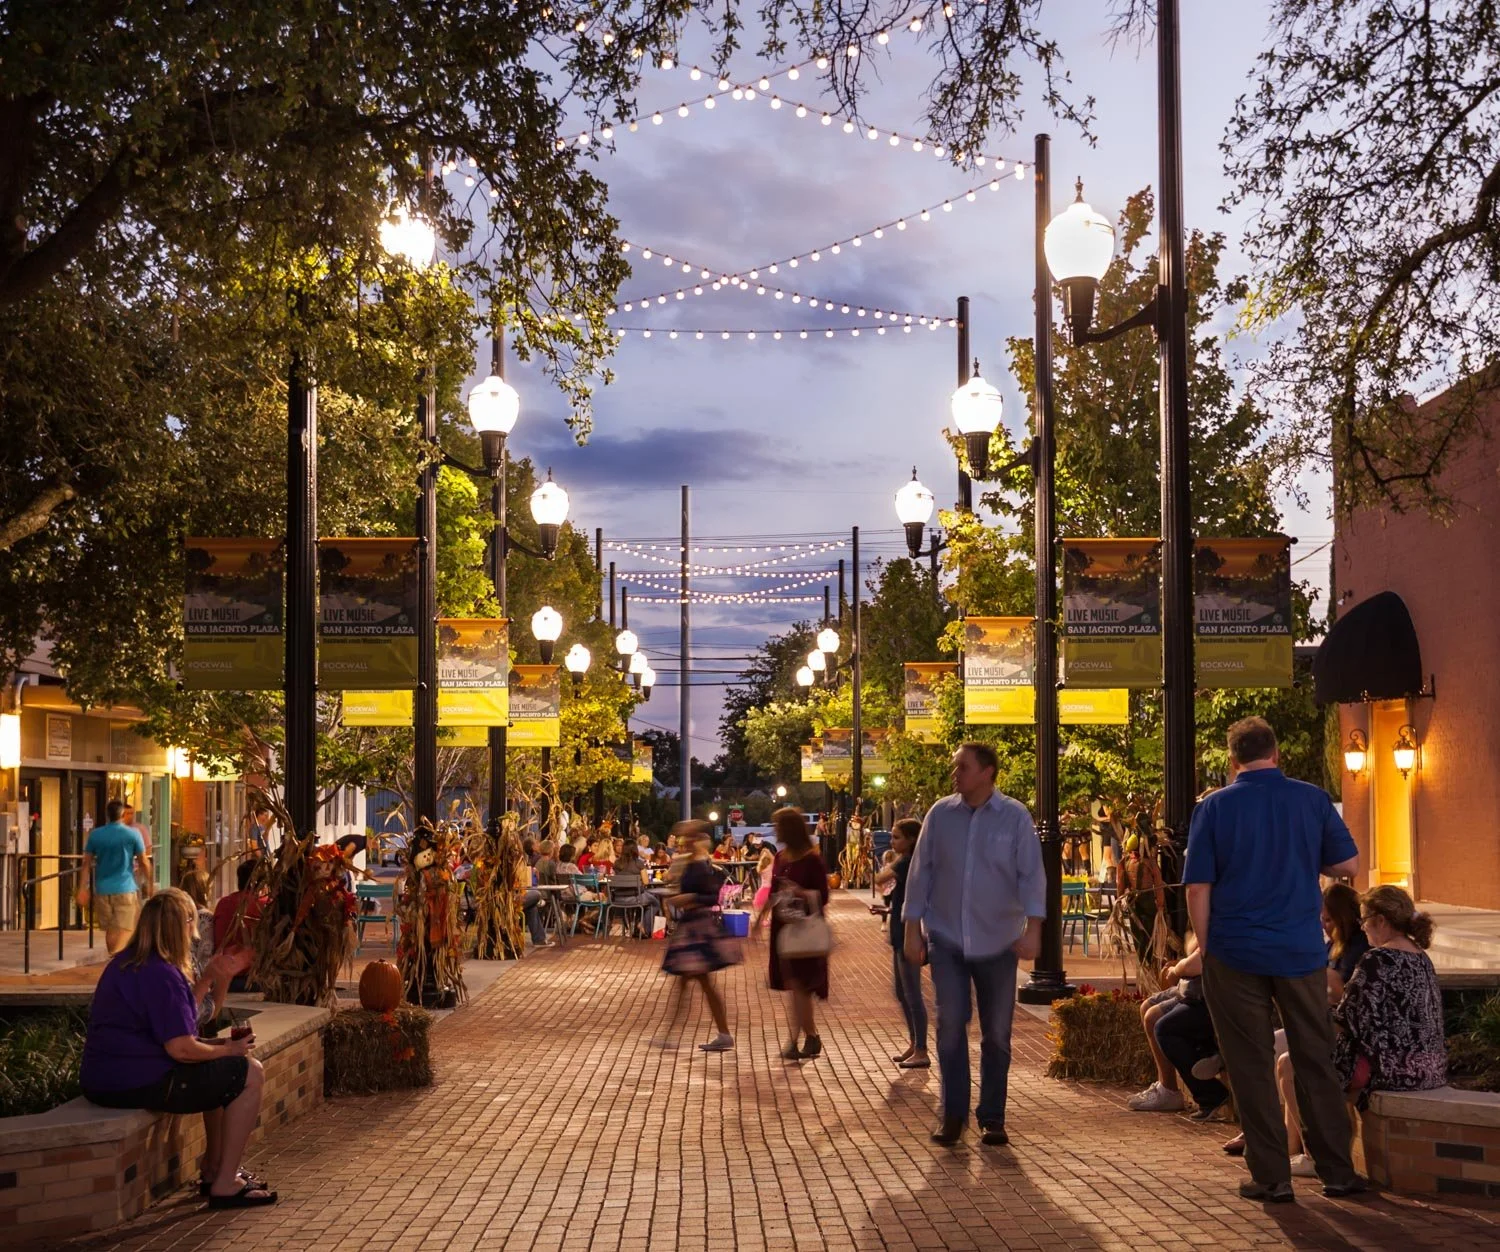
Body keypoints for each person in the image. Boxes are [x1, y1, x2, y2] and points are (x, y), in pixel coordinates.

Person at [1184, 716, 1365, 1203]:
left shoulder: (1214, 808)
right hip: (1301, 951)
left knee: (1251, 1065)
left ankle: (1271, 1177)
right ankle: (1337, 1171)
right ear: (1277, 753)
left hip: (1235, 951)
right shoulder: (1310, 800)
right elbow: (1348, 865)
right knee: (1315, 1059)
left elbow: (1198, 886)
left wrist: (1207, 944)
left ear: (1232, 759)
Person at [80, 889, 275, 1208]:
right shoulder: (161, 973)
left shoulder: (128, 964)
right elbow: (182, 1048)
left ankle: (216, 1170)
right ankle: (225, 1183)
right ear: (181, 925)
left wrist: (212, 984)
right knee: (250, 1072)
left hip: (110, 1077)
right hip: (134, 1081)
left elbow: (181, 1025)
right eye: (191, 920)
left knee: (224, 1069)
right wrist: (227, 1051)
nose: (195, 928)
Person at [904, 743, 1044, 1147]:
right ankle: (953, 1115)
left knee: (997, 1034)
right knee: (950, 1027)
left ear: (988, 772)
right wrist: (912, 929)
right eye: (955, 767)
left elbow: (1031, 876)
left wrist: (1033, 928)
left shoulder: (1015, 817)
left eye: (962, 767)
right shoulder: (940, 815)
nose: (955, 774)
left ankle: (992, 1116)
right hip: (946, 937)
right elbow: (920, 873)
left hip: (999, 940)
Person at [661, 821, 737, 1051]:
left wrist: (688, 898)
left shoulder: (701, 864)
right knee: (689, 983)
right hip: (692, 926)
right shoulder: (691, 861)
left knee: (698, 983)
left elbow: (713, 896)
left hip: (699, 927)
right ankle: (673, 1034)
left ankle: (719, 1034)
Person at [768, 807, 830, 1061]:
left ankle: (797, 1039)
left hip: (805, 928)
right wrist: (760, 916)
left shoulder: (811, 859)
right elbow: (773, 891)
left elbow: (823, 896)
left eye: (779, 826)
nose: (775, 831)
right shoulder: (780, 857)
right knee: (796, 987)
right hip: (783, 927)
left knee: (800, 987)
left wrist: (799, 892)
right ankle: (809, 1036)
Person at [877, 818, 928, 1070]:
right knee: (901, 991)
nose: (892, 842)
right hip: (899, 930)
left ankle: (922, 1048)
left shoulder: (908, 862)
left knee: (912, 993)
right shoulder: (907, 862)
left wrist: (894, 860)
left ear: (910, 839)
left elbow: (880, 878)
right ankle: (914, 1042)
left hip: (910, 932)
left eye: (896, 837)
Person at [79, 799, 153, 954]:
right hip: (125, 888)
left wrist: (82, 888)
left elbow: (86, 863)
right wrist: (151, 884)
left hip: (102, 889)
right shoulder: (133, 834)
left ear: (108, 815)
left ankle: (113, 957)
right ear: (122, 814)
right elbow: (144, 862)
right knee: (127, 928)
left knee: (111, 930)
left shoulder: (96, 835)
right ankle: (116, 959)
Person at [611, 842, 660, 937]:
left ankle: (638, 925)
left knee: (645, 899)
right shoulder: (639, 863)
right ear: (635, 851)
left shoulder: (617, 863)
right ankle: (643, 927)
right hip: (635, 897)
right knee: (655, 903)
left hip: (618, 899)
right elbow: (646, 882)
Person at [749, 847, 776, 933]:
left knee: (764, 907)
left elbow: (762, 860)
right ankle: (765, 920)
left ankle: (763, 919)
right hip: (769, 889)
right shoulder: (770, 867)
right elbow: (774, 859)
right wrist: (767, 851)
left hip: (762, 889)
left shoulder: (760, 869)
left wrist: (762, 854)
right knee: (768, 907)